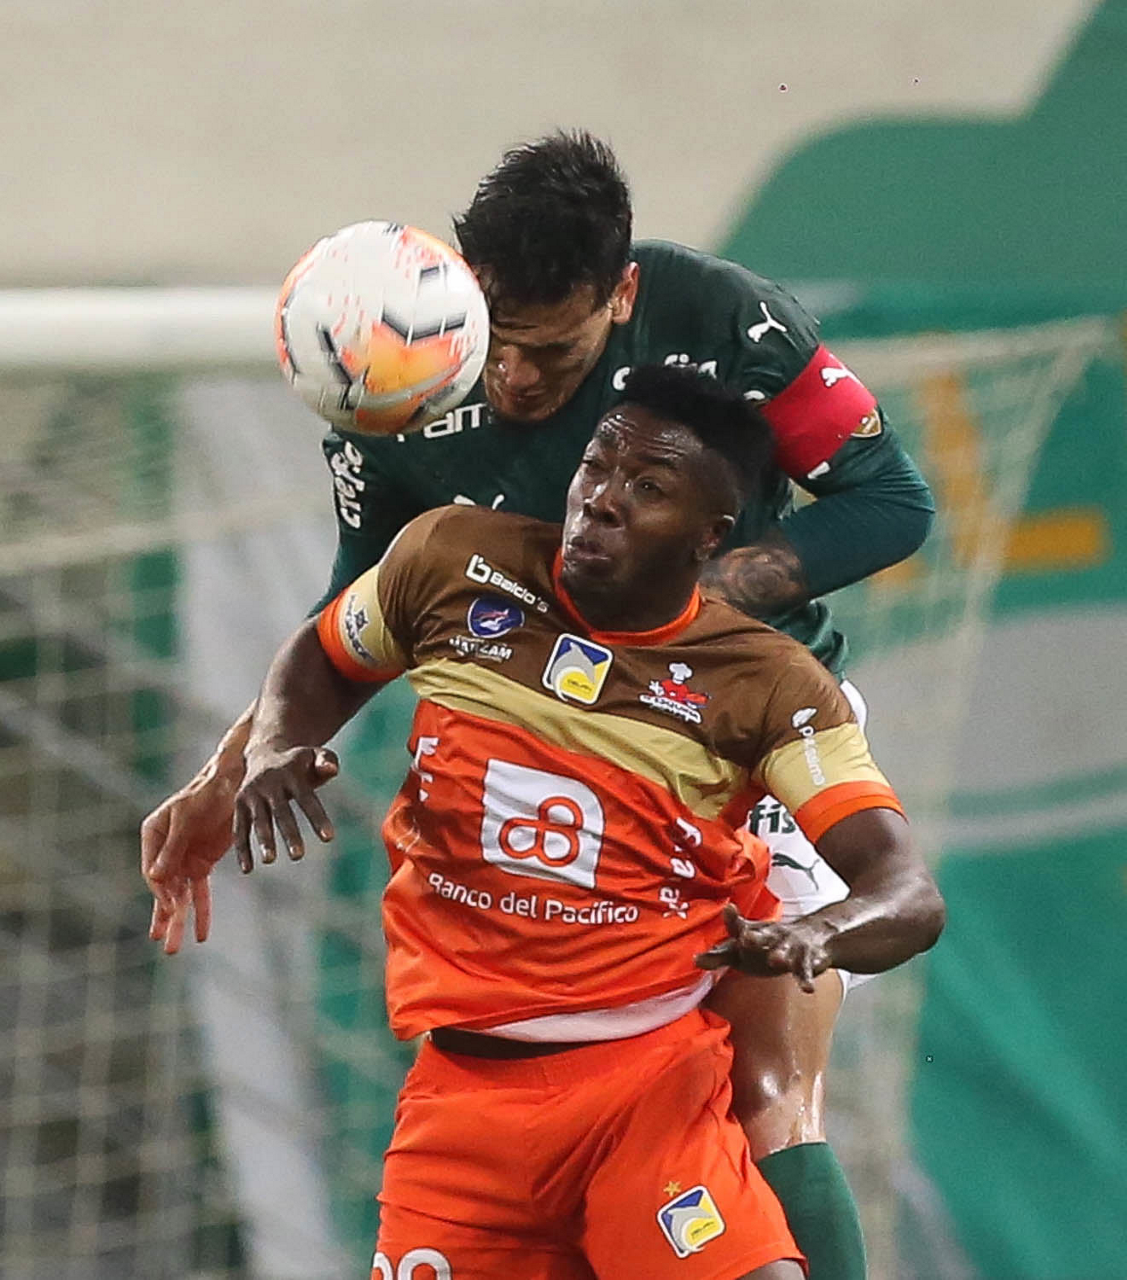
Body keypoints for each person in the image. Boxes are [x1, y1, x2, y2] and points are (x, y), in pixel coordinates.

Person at [142, 132, 936, 1277]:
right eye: (498, 340)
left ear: (620, 297)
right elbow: (351, 615)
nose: (513, 377)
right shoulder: (405, 380)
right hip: (543, 737)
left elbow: (891, 501)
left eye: (550, 351)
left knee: (765, 1093)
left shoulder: (723, 320)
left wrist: (702, 607)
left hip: (735, 739)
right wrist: (231, 771)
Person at [231, 365, 945, 1280]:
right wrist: (272, 744)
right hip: (460, 1102)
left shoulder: (766, 684)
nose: (601, 500)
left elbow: (905, 891)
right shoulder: (449, 560)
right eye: (596, 467)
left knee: (775, 1133)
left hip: (644, 1089)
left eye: (646, 488)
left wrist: (818, 934)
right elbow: (325, 651)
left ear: (709, 536)